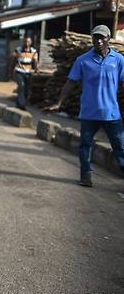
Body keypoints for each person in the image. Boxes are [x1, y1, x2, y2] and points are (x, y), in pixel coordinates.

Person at [46, 25, 124, 187]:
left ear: (109, 39)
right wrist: (59, 102)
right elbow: (71, 82)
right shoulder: (83, 60)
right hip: (89, 113)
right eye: (96, 37)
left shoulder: (118, 60)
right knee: (85, 145)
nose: (99, 40)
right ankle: (86, 176)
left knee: (120, 147)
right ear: (92, 38)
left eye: (102, 37)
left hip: (111, 113)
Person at [10, 36, 39, 110]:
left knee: (26, 89)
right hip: (19, 71)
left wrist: (36, 69)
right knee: (22, 86)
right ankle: (22, 105)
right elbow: (13, 61)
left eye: (28, 42)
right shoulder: (18, 50)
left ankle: (19, 103)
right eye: (25, 41)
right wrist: (11, 71)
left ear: (31, 43)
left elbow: (35, 61)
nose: (27, 43)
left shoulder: (34, 51)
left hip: (28, 72)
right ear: (23, 42)